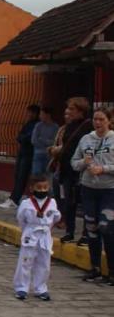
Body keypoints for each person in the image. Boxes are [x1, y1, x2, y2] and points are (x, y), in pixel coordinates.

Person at [71, 107, 114, 283]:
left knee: (107, 227)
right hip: (89, 188)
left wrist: (104, 169)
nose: (98, 123)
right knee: (92, 228)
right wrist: (84, 162)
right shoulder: (86, 139)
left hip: (109, 190)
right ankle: (94, 267)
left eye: (102, 119)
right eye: (95, 119)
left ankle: (112, 270)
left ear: (109, 121)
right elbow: (74, 163)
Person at [50, 97, 92, 245]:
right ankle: (70, 231)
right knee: (69, 202)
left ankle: (87, 234)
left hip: (80, 170)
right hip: (66, 169)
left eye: (72, 109)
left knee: (85, 204)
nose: (68, 111)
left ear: (81, 111)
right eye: (68, 108)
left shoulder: (87, 127)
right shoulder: (69, 126)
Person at [13, 175, 60, 301]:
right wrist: (27, 230)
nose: (42, 190)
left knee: (44, 263)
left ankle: (41, 288)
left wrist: (47, 227)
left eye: (45, 187)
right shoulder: (26, 203)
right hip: (31, 232)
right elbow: (21, 219)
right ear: (32, 188)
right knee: (25, 261)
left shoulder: (52, 202)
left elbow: (56, 217)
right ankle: (21, 288)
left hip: (44, 234)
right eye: (39, 188)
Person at [0, 104, 40, 209]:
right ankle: (14, 197)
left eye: (31, 112)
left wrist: (23, 138)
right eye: (29, 112)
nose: (29, 114)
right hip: (22, 152)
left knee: (22, 176)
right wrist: (22, 138)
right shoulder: (28, 124)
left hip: (29, 154)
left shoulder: (37, 125)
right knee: (18, 176)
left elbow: (28, 138)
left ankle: (15, 199)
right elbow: (19, 136)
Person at [31, 107, 59, 176]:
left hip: (49, 155)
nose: (40, 116)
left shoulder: (55, 127)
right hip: (38, 154)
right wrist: (47, 142)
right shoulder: (38, 126)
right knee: (36, 174)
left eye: (42, 114)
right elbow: (34, 140)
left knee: (48, 175)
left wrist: (42, 140)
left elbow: (54, 142)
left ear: (48, 115)